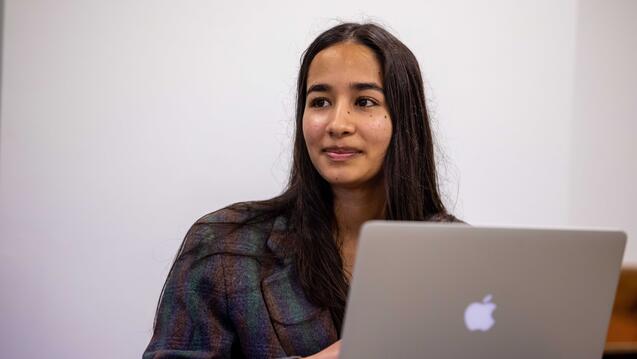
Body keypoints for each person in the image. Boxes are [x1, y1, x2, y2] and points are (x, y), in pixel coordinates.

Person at [143, 22, 458, 359]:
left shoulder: (463, 257)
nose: (338, 124)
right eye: (320, 101)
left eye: (365, 101)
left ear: (405, 121)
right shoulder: (222, 246)